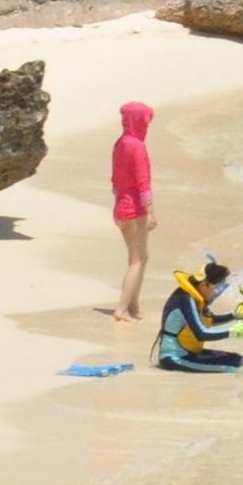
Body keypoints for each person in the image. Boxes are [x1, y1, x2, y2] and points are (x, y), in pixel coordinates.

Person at [155, 257, 243, 373]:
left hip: (190, 353)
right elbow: (201, 334)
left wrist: (235, 315)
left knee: (239, 359)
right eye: (216, 287)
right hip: (175, 358)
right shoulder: (186, 299)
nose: (217, 292)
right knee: (234, 368)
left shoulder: (195, 297)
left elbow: (210, 320)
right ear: (203, 285)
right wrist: (233, 331)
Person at [109, 102, 154, 322]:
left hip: (120, 206)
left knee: (139, 257)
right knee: (137, 259)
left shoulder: (121, 143)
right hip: (134, 209)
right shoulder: (136, 146)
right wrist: (150, 211)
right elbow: (142, 182)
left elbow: (115, 180)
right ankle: (122, 308)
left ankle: (133, 305)